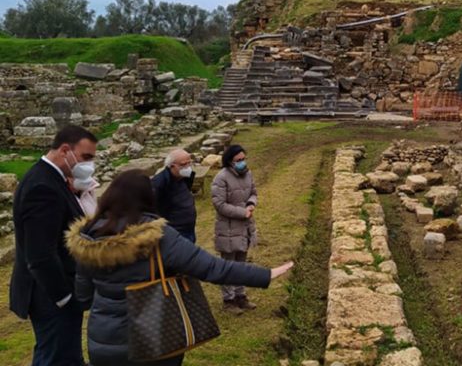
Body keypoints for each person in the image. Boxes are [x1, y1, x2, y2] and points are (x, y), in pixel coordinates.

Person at [66, 170, 293, 366]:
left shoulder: (88, 240)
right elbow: (212, 268)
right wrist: (265, 275)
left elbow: (84, 297)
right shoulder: (158, 237)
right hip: (153, 339)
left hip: (103, 344)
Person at [10, 124, 98, 366]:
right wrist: (65, 298)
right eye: (86, 157)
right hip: (50, 293)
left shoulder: (52, 179)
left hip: (55, 289)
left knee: (65, 354)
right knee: (56, 357)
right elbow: (40, 254)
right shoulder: (43, 187)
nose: (89, 164)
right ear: (65, 150)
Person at [212, 145, 258, 312]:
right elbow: (219, 204)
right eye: (238, 160)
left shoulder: (248, 174)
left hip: (245, 225)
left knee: (241, 263)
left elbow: (253, 192)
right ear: (230, 161)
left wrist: (251, 204)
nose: (242, 162)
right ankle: (228, 300)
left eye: (243, 159)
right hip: (228, 228)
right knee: (228, 264)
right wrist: (242, 212)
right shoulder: (221, 178)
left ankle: (241, 296)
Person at [152, 149, 197, 242]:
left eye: (189, 163)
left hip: (189, 229)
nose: (188, 167)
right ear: (172, 166)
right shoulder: (159, 183)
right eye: (184, 164)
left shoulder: (185, 177)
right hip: (174, 233)